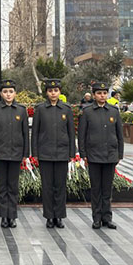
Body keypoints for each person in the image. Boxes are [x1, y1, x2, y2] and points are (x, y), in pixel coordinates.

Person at [79, 81, 124, 229]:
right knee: (96, 189)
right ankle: (96, 217)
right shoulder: (87, 111)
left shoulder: (113, 111)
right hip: (93, 155)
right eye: (99, 93)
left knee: (107, 188)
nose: (102, 96)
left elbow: (119, 134)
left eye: (104, 93)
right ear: (94, 95)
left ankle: (107, 217)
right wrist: (83, 153)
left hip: (110, 155)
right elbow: (82, 135)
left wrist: (120, 154)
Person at [0, 79, 29, 228]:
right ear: (1, 94)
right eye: (5, 92)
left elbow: (25, 133)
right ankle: (4, 216)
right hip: (0, 153)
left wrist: (25, 153)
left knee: (13, 186)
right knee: (2, 186)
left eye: (11, 92)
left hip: (16, 153)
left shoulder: (21, 110)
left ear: (15, 93)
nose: (8, 94)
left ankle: (12, 216)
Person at [32, 77, 75, 229]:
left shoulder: (67, 109)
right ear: (46, 93)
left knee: (60, 186)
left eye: (56, 90)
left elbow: (71, 132)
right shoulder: (40, 109)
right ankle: (49, 216)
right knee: (48, 186)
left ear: (60, 92)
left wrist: (72, 153)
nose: (53, 93)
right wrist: (35, 153)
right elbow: (35, 133)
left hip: (62, 153)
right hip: (45, 153)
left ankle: (59, 216)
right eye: (50, 91)